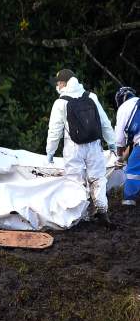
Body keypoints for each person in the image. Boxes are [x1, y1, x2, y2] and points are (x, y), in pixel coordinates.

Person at [46, 69, 116, 223]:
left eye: (58, 82)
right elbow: (104, 122)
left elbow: (54, 130)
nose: (56, 85)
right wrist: (112, 142)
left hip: (73, 147)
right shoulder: (91, 97)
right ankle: (102, 209)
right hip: (94, 144)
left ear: (63, 83)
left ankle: (81, 215)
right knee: (98, 177)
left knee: (75, 181)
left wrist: (50, 151)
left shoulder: (60, 103)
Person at [113, 86, 140, 206]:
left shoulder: (124, 108)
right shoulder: (137, 104)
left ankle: (129, 200)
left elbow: (119, 139)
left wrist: (119, 158)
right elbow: (132, 143)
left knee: (132, 171)